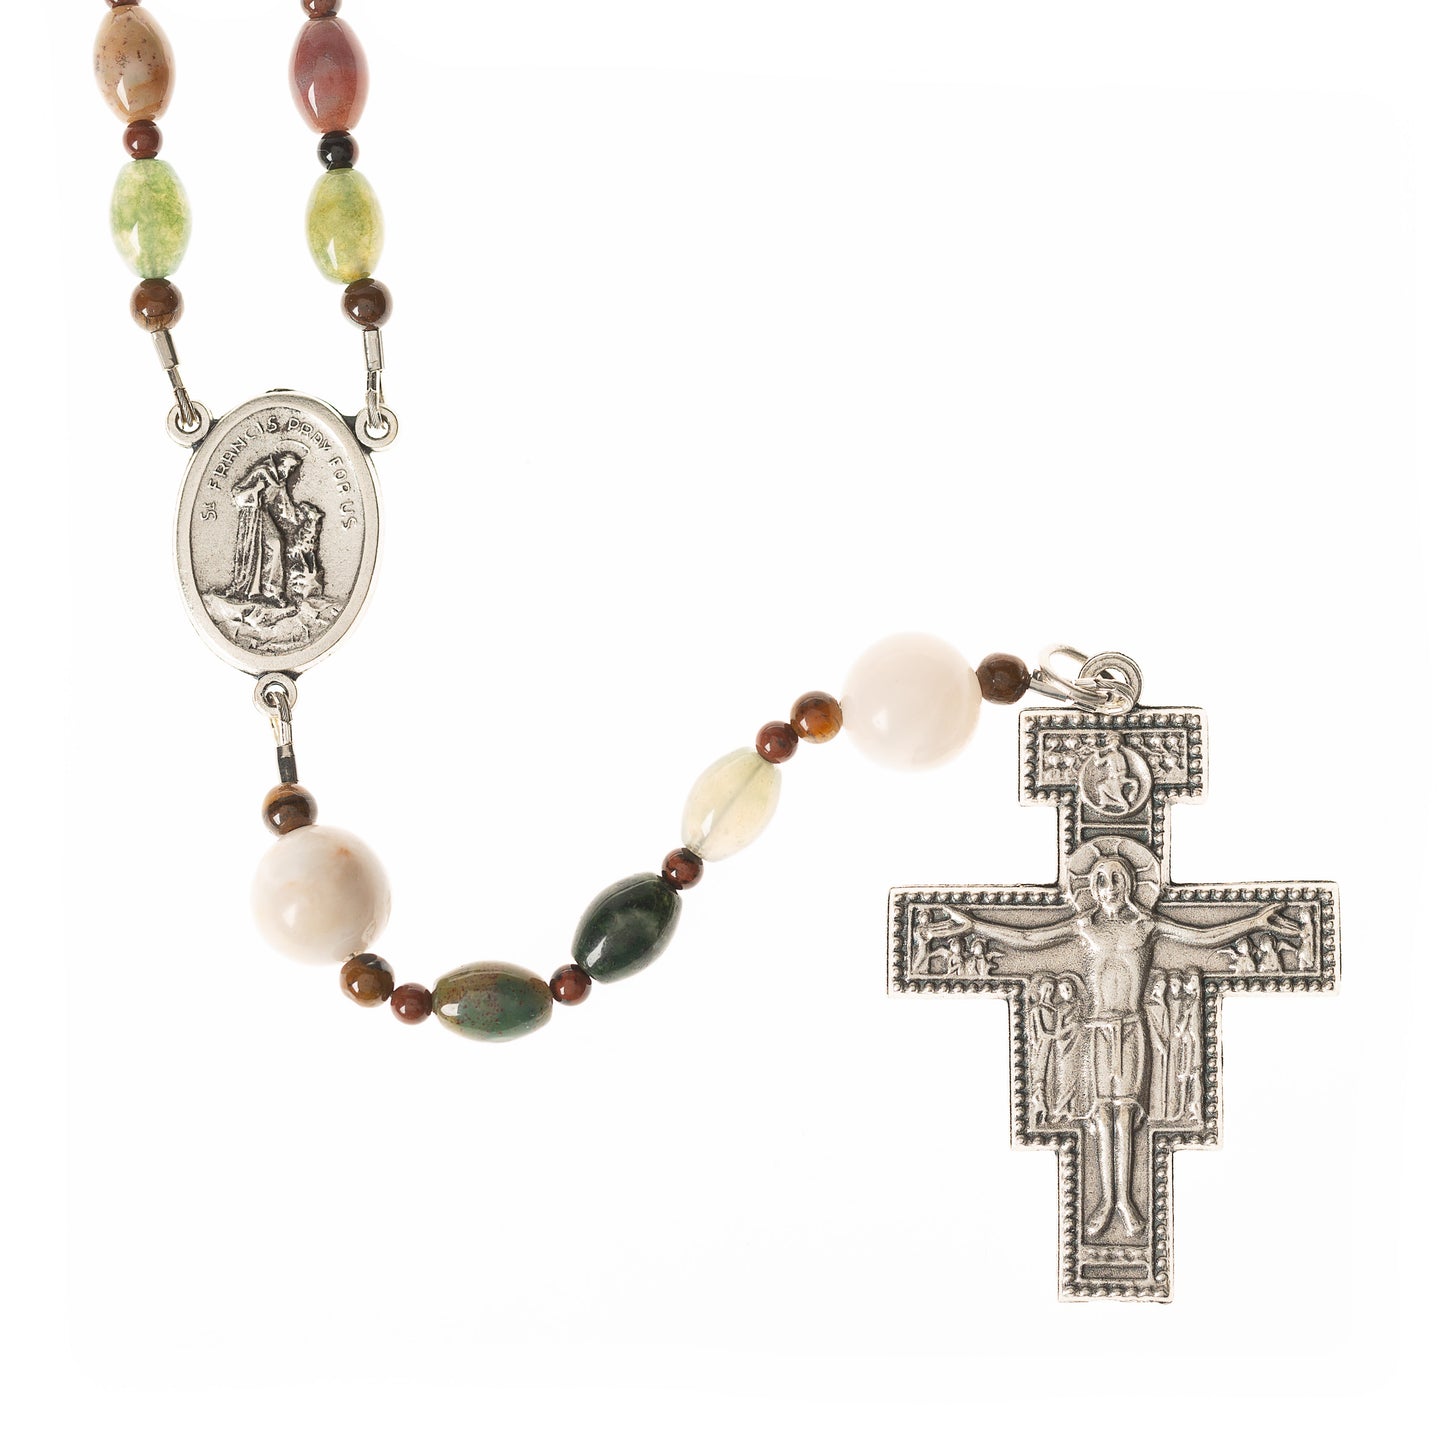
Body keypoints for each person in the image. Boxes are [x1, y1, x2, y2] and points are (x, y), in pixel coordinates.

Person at [922, 850, 1300, 1238]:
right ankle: (1107, 1200)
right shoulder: (1084, 928)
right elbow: (1027, 938)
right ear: (1092, 887)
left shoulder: (1146, 926)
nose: (1110, 888)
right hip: (1098, 1031)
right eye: (1101, 880)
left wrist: (1255, 921)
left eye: (1117, 878)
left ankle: (1125, 1200)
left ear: (1131, 884)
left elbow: (1203, 937)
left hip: (1132, 1029)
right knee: (1103, 1116)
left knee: (1126, 1116)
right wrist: (974, 924)